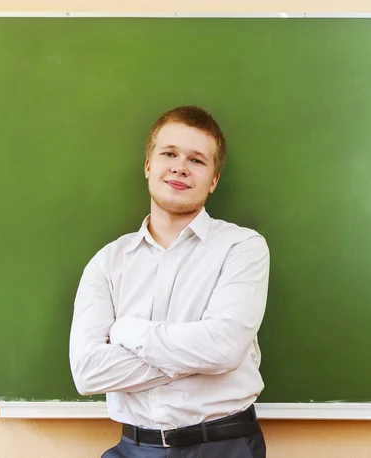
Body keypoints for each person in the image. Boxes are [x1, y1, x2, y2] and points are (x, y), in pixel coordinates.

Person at [69, 106, 270, 458]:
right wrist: (198, 357)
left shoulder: (242, 247)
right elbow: (88, 373)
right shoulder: (107, 263)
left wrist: (128, 332)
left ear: (213, 180)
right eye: (169, 154)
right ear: (149, 166)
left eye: (197, 160)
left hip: (224, 446)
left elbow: (223, 347)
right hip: (133, 448)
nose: (180, 167)